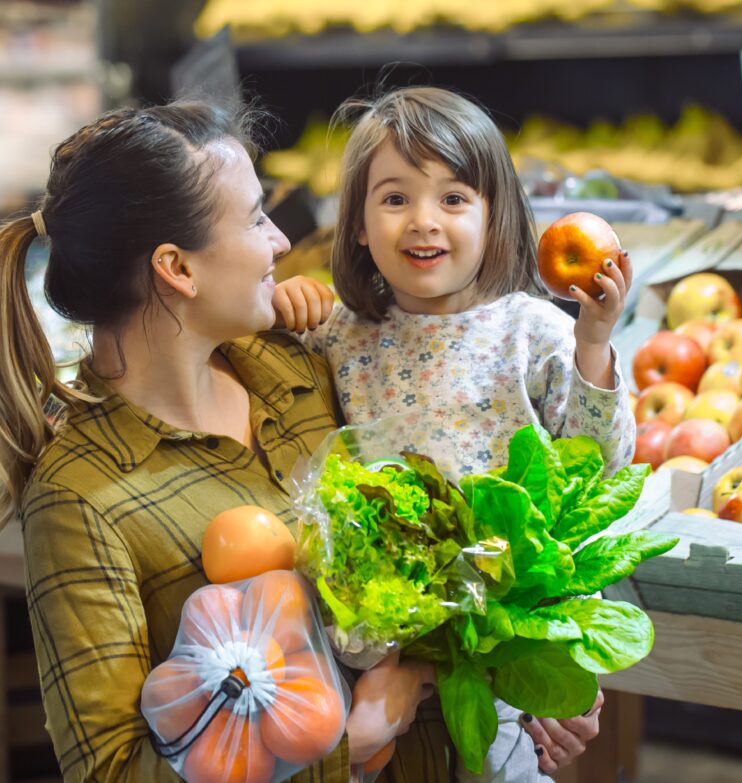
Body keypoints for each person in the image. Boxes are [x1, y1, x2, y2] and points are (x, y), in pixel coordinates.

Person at [0, 100, 442, 783]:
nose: (278, 243)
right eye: (255, 217)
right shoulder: (79, 499)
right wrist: (351, 742)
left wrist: (520, 696)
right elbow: (112, 773)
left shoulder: (296, 370)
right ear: (177, 267)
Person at [273, 85, 634, 782]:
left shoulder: (534, 332)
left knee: (498, 766)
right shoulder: (343, 334)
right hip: (382, 639)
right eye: (395, 198)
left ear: (496, 216)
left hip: (499, 626)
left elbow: (601, 466)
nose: (423, 222)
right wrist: (288, 301)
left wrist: (593, 342)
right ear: (356, 224)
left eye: (454, 198)